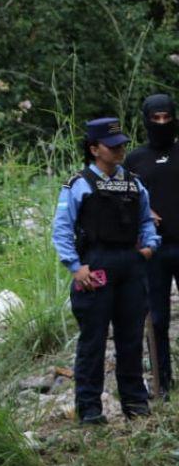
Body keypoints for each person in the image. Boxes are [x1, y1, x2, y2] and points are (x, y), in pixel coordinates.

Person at [52, 117, 160, 424]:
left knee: (131, 339)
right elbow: (62, 229)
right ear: (94, 149)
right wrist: (75, 267)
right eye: (112, 146)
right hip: (95, 265)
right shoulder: (79, 184)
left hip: (130, 264)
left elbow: (146, 220)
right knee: (93, 342)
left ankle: (136, 405)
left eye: (122, 145)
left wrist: (150, 246)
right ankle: (89, 411)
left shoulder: (133, 182)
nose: (119, 150)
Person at [127, 95, 179, 398]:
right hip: (153, 250)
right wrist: (143, 212)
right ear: (146, 120)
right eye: (156, 118)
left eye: (166, 117)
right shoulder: (135, 160)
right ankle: (162, 383)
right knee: (157, 319)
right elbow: (123, 199)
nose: (161, 123)